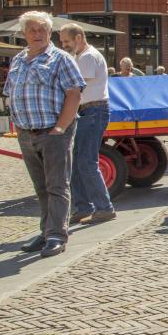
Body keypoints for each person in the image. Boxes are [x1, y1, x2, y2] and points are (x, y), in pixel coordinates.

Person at [5, 11, 86, 259]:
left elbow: (74, 94)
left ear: (49, 33)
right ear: (24, 34)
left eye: (42, 29)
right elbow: (10, 92)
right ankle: (45, 231)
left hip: (53, 131)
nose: (37, 34)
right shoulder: (18, 60)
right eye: (32, 30)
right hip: (27, 132)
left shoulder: (61, 59)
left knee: (57, 186)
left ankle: (56, 235)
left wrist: (60, 127)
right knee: (40, 187)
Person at [59, 24, 115, 226]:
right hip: (89, 111)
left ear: (79, 38)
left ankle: (104, 207)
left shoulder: (87, 57)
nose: (64, 45)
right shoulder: (81, 57)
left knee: (87, 161)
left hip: (93, 110)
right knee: (78, 162)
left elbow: (76, 86)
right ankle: (83, 207)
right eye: (62, 42)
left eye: (67, 41)